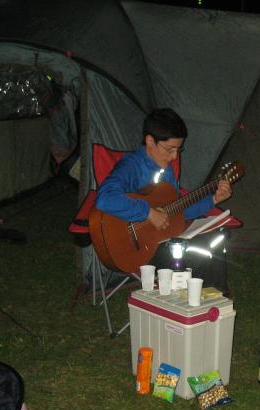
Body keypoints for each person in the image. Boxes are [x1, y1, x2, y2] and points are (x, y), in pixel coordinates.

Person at [94, 108, 233, 283]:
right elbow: (104, 199)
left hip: (161, 241)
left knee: (214, 239)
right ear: (150, 141)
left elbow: (178, 212)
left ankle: (213, 297)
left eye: (178, 150)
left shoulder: (165, 170)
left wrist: (213, 199)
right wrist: (148, 213)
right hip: (139, 248)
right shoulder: (131, 166)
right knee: (198, 254)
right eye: (170, 149)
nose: (174, 157)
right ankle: (201, 296)